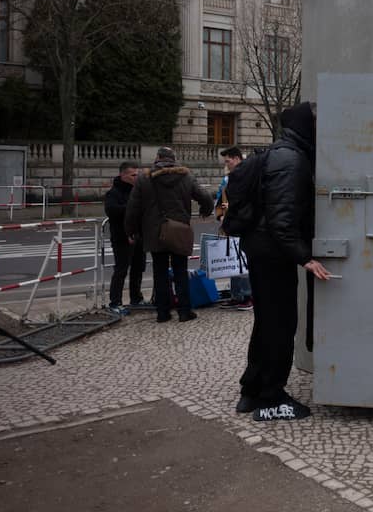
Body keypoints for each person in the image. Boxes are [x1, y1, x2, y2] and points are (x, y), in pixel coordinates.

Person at [236, 102, 331, 421]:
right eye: (317, 124)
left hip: (263, 249)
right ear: (306, 126)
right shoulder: (292, 159)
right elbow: (282, 218)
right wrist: (304, 257)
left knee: (266, 322)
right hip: (273, 252)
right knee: (280, 325)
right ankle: (271, 397)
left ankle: (251, 389)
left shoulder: (280, 152)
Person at [125, 147, 215, 323]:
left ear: (157, 158)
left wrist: (131, 230)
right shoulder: (186, 176)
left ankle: (163, 313)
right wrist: (205, 211)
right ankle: (184, 311)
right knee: (180, 271)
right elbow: (205, 197)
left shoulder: (144, 178)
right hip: (179, 229)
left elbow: (133, 208)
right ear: (174, 159)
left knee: (160, 272)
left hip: (155, 231)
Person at [104, 161, 146, 310]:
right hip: (122, 238)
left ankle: (136, 298)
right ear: (123, 175)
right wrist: (131, 208)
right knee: (121, 269)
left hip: (139, 236)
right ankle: (115, 302)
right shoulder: (114, 193)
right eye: (133, 175)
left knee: (138, 268)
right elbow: (111, 210)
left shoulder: (138, 190)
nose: (136, 177)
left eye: (137, 174)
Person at [215, 146, 253, 311]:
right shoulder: (227, 179)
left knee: (243, 263)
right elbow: (219, 199)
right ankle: (236, 295)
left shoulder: (248, 176)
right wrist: (220, 215)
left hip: (243, 226)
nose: (227, 164)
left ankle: (247, 296)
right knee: (233, 262)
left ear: (237, 159)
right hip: (230, 225)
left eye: (228, 161)